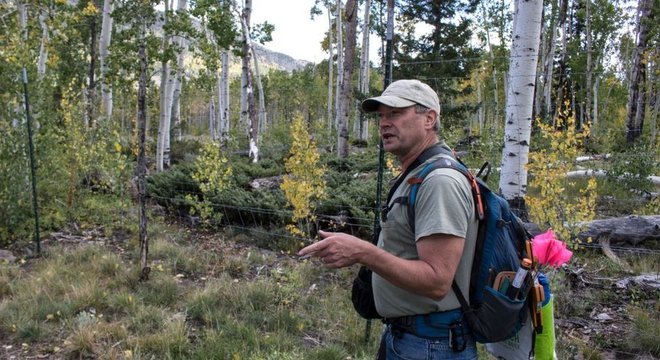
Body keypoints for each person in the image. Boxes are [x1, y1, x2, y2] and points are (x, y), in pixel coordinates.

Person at [298, 79, 479, 359]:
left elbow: (437, 281)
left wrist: (363, 252)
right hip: (411, 337)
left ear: (429, 118)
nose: (384, 123)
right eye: (381, 115)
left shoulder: (439, 181)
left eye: (395, 113)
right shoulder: (418, 173)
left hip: (431, 344)